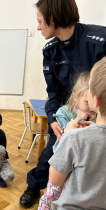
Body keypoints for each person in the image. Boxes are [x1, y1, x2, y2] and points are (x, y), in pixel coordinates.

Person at [20, 0, 106, 207]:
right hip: (67, 116)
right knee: (50, 154)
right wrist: (52, 121)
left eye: (40, 21)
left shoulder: (99, 41)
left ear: (52, 18)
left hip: (99, 118)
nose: (38, 27)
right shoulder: (50, 51)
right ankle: (34, 187)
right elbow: (53, 93)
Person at [40, 57, 106, 209]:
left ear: (96, 102)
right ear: (76, 98)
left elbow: (55, 179)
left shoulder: (73, 137)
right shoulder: (64, 113)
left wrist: (72, 133)